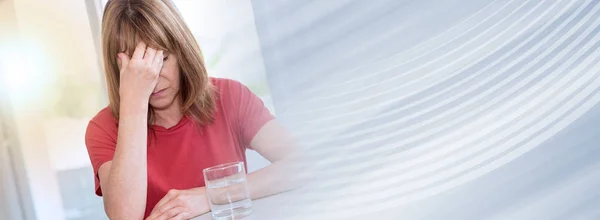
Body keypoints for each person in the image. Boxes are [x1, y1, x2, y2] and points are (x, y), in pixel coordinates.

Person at [84, 0, 296, 219]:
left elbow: (303, 165)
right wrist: (133, 101)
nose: (152, 80)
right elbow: (124, 216)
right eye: (137, 69)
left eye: (162, 59)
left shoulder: (229, 97)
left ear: (182, 50)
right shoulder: (103, 128)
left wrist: (209, 196)